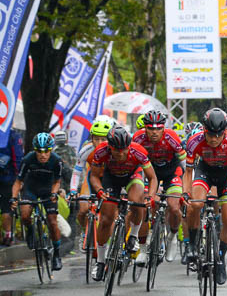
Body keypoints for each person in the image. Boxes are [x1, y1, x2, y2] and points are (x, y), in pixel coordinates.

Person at [182, 108, 227, 284]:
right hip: (205, 172)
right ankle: (192, 245)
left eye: (219, 135)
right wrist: (186, 192)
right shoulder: (194, 141)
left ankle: (220, 259)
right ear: (204, 130)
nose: (214, 139)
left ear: (225, 131)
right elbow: (188, 172)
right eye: (210, 134)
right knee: (195, 205)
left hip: (226, 175)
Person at [89, 126, 157, 281]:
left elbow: (152, 178)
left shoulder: (138, 151)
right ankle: (100, 262)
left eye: (124, 150)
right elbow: (94, 176)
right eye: (116, 150)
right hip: (111, 178)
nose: (120, 154)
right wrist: (99, 190)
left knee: (136, 201)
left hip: (132, 176)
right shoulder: (101, 151)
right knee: (106, 219)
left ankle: (133, 236)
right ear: (109, 147)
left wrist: (150, 197)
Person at [132, 110, 186, 264]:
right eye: (150, 128)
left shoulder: (171, 137)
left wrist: (189, 183)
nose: (154, 132)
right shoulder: (138, 138)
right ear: (145, 128)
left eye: (158, 128)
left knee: (174, 206)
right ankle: (144, 246)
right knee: (147, 204)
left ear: (163, 128)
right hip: (150, 172)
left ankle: (172, 236)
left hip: (172, 172)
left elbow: (185, 162)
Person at [10, 133, 64, 270]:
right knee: (25, 215)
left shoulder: (57, 160)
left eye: (46, 150)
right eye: (39, 151)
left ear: (51, 149)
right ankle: (30, 230)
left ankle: (57, 254)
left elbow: (57, 182)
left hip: (48, 190)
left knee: (52, 221)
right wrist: (14, 197)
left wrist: (53, 193)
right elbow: (18, 182)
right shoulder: (28, 159)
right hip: (31, 190)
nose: (43, 154)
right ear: (35, 150)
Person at [69, 116, 114, 252]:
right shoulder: (86, 150)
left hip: (110, 180)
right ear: (91, 138)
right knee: (83, 209)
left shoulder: (116, 149)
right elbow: (77, 172)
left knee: (110, 215)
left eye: (103, 139)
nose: (99, 142)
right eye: (96, 139)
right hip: (92, 179)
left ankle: (111, 242)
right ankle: (85, 232)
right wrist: (72, 190)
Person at [1, 129, 24, 245]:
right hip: (7, 177)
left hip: (6, 176)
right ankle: (8, 235)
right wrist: (18, 177)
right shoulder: (12, 135)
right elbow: (17, 157)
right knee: (6, 208)